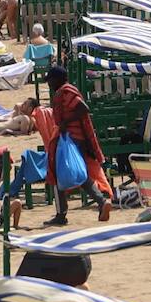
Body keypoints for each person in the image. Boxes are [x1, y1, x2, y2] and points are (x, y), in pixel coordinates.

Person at [44, 66, 111, 226]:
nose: (49, 84)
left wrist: (66, 122)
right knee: (78, 174)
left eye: (51, 80)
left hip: (70, 138)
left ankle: (61, 215)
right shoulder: (67, 90)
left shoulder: (66, 91)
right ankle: (101, 202)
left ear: (58, 79)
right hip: (74, 138)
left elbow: (83, 108)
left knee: (59, 172)